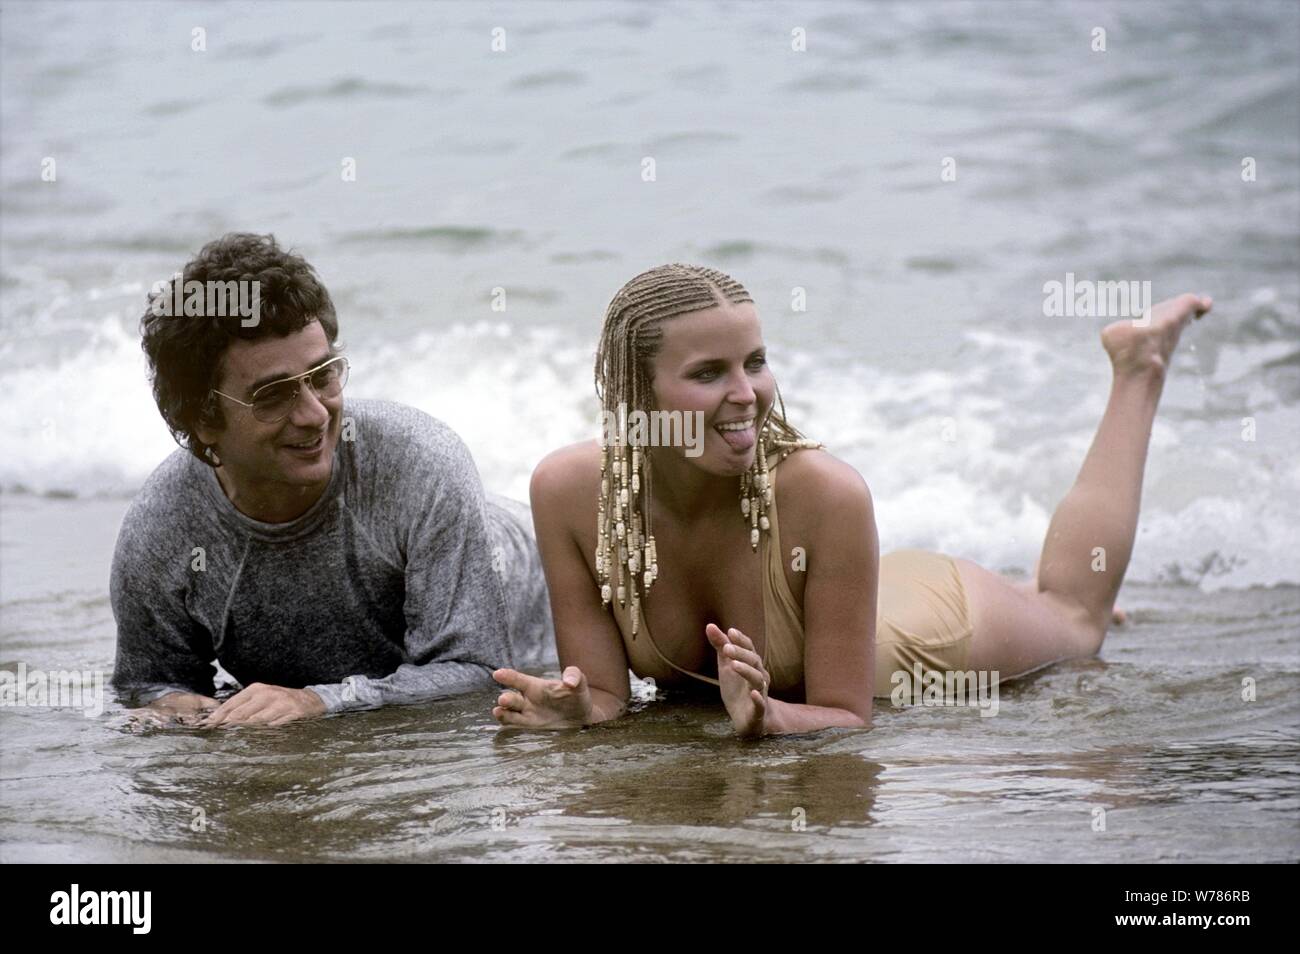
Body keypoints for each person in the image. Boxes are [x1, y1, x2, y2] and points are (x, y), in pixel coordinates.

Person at [491, 263, 1211, 737]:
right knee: (1040, 604)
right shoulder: (569, 494)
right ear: (635, 393)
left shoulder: (825, 494)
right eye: (708, 373)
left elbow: (847, 715)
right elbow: (607, 697)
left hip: (920, 629)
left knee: (1076, 618)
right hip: (848, 595)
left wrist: (770, 718)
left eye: (755, 362)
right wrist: (577, 708)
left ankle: (1138, 365)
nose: (746, 394)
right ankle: (1020, 592)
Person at [110, 233, 552, 727]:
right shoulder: (162, 528)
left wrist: (318, 702)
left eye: (322, 375)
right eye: (273, 395)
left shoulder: (421, 463)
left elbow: (477, 669)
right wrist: (173, 706)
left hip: (550, 594)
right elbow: (148, 684)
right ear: (203, 419)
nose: (315, 414)